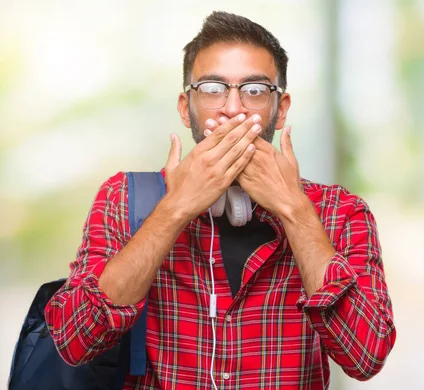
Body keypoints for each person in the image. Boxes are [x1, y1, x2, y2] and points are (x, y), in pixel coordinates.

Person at [45, 11, 395, 389]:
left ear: (282, 110)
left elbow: (366, 356)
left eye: (255, 90)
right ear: (185, 107)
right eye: (213, 88)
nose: (233, 108)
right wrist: (174, 210)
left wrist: (294, 211)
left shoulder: (340, 212)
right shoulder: (123, 199)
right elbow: (74, 341)